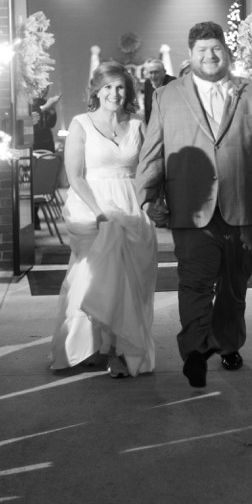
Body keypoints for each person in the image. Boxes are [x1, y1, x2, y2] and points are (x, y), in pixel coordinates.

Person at [136, 21, 252, 388]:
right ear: (190, 55)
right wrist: (147, 195)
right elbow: (153, 150)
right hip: (190, 206)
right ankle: (195, 350)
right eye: (201, 51)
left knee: (234, 283)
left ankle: (227, 343)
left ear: (226, 51)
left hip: (245, 205)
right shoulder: (166, 96)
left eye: (216, 49)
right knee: (194, 280)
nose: (209, 56)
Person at [49, 62, 158, 377]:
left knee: (130, 283)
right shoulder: (80, 124)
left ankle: (120, 350)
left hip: (131, 207)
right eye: (108, 87)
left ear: (128, 91)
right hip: (91, 207)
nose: (114, 93)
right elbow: (75, 176)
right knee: (94, 279)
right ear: (96, 90)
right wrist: (100, 213)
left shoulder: (137, 124)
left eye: (120, 86)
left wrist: (148, 204)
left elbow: (149, 169)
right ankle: (91, 346)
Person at [141, 57, 175, 124]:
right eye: (151, 73)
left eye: (156, 72)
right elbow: (147, 108)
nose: (153, 76)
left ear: (164, 72)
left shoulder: (173, 83)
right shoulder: (147, 83)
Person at [31, 87, 61, 152]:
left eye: (46, 88)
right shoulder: (28, 103)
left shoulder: (45, 102)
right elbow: (31, 118)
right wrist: (46, 106)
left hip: (47, 142)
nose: (44, 90)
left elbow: (51, 124)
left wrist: (52, 110)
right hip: (33, 142)